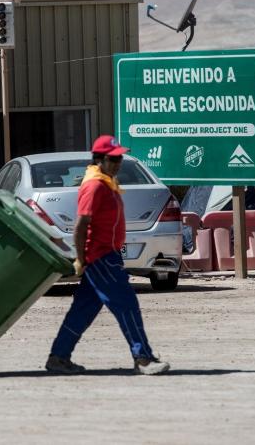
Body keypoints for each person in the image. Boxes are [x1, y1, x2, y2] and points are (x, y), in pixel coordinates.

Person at [45, 135, 170, 375]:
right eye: (113, 158)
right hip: (101, 257)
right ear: (100, 159)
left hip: (106, 255)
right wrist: (81, 258)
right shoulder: (95, 186)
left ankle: (58, 357)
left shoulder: (106, 182)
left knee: (82, 310)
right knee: (127, 305)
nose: (118, 162)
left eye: (119, 157)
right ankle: (143, 358)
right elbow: (82, 225)